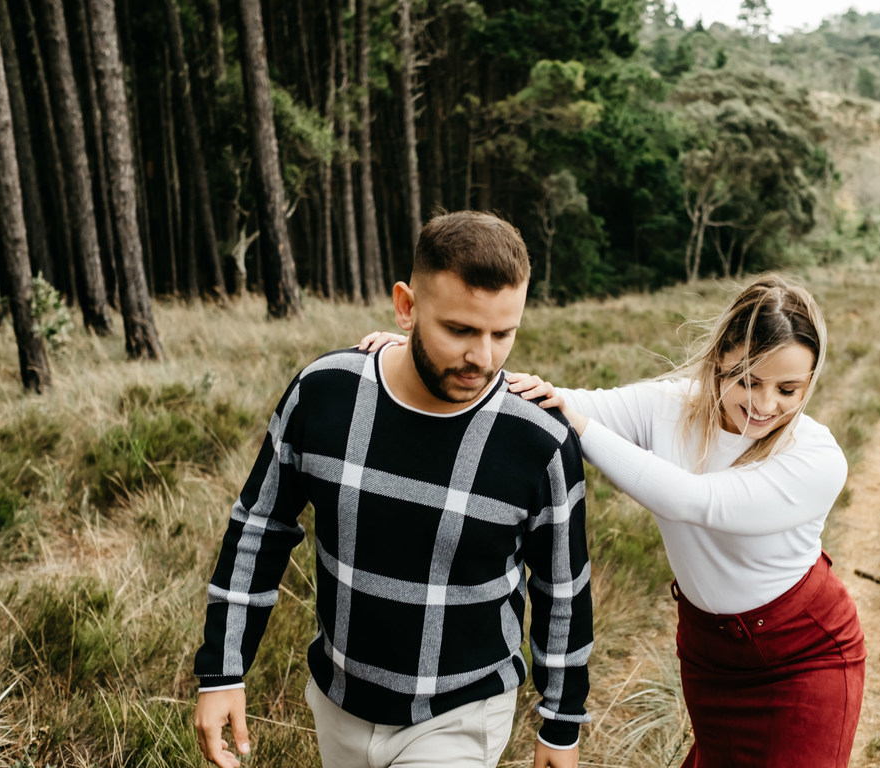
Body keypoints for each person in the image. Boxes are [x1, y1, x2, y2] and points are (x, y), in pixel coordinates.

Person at [361, 274, 864, 767]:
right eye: (748, 380)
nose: (764, 403)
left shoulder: (816, 458)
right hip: (709, 654)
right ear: (718, 361)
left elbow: (695, 501)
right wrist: (420, 359)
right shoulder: (674, 406)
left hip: (803, 656)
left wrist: (582, 429)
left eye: (789, 389)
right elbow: (558, 402)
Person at [194, 211, 592, 768]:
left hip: (462, 713)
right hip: (340, 703)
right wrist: (222, 669)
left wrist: (562, 723)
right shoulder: (324, 393)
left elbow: (563, 591)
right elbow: (259, 528)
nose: (483, 358)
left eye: (503, 334)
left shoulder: (538, 440)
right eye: (459, 330)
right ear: (407, 307)